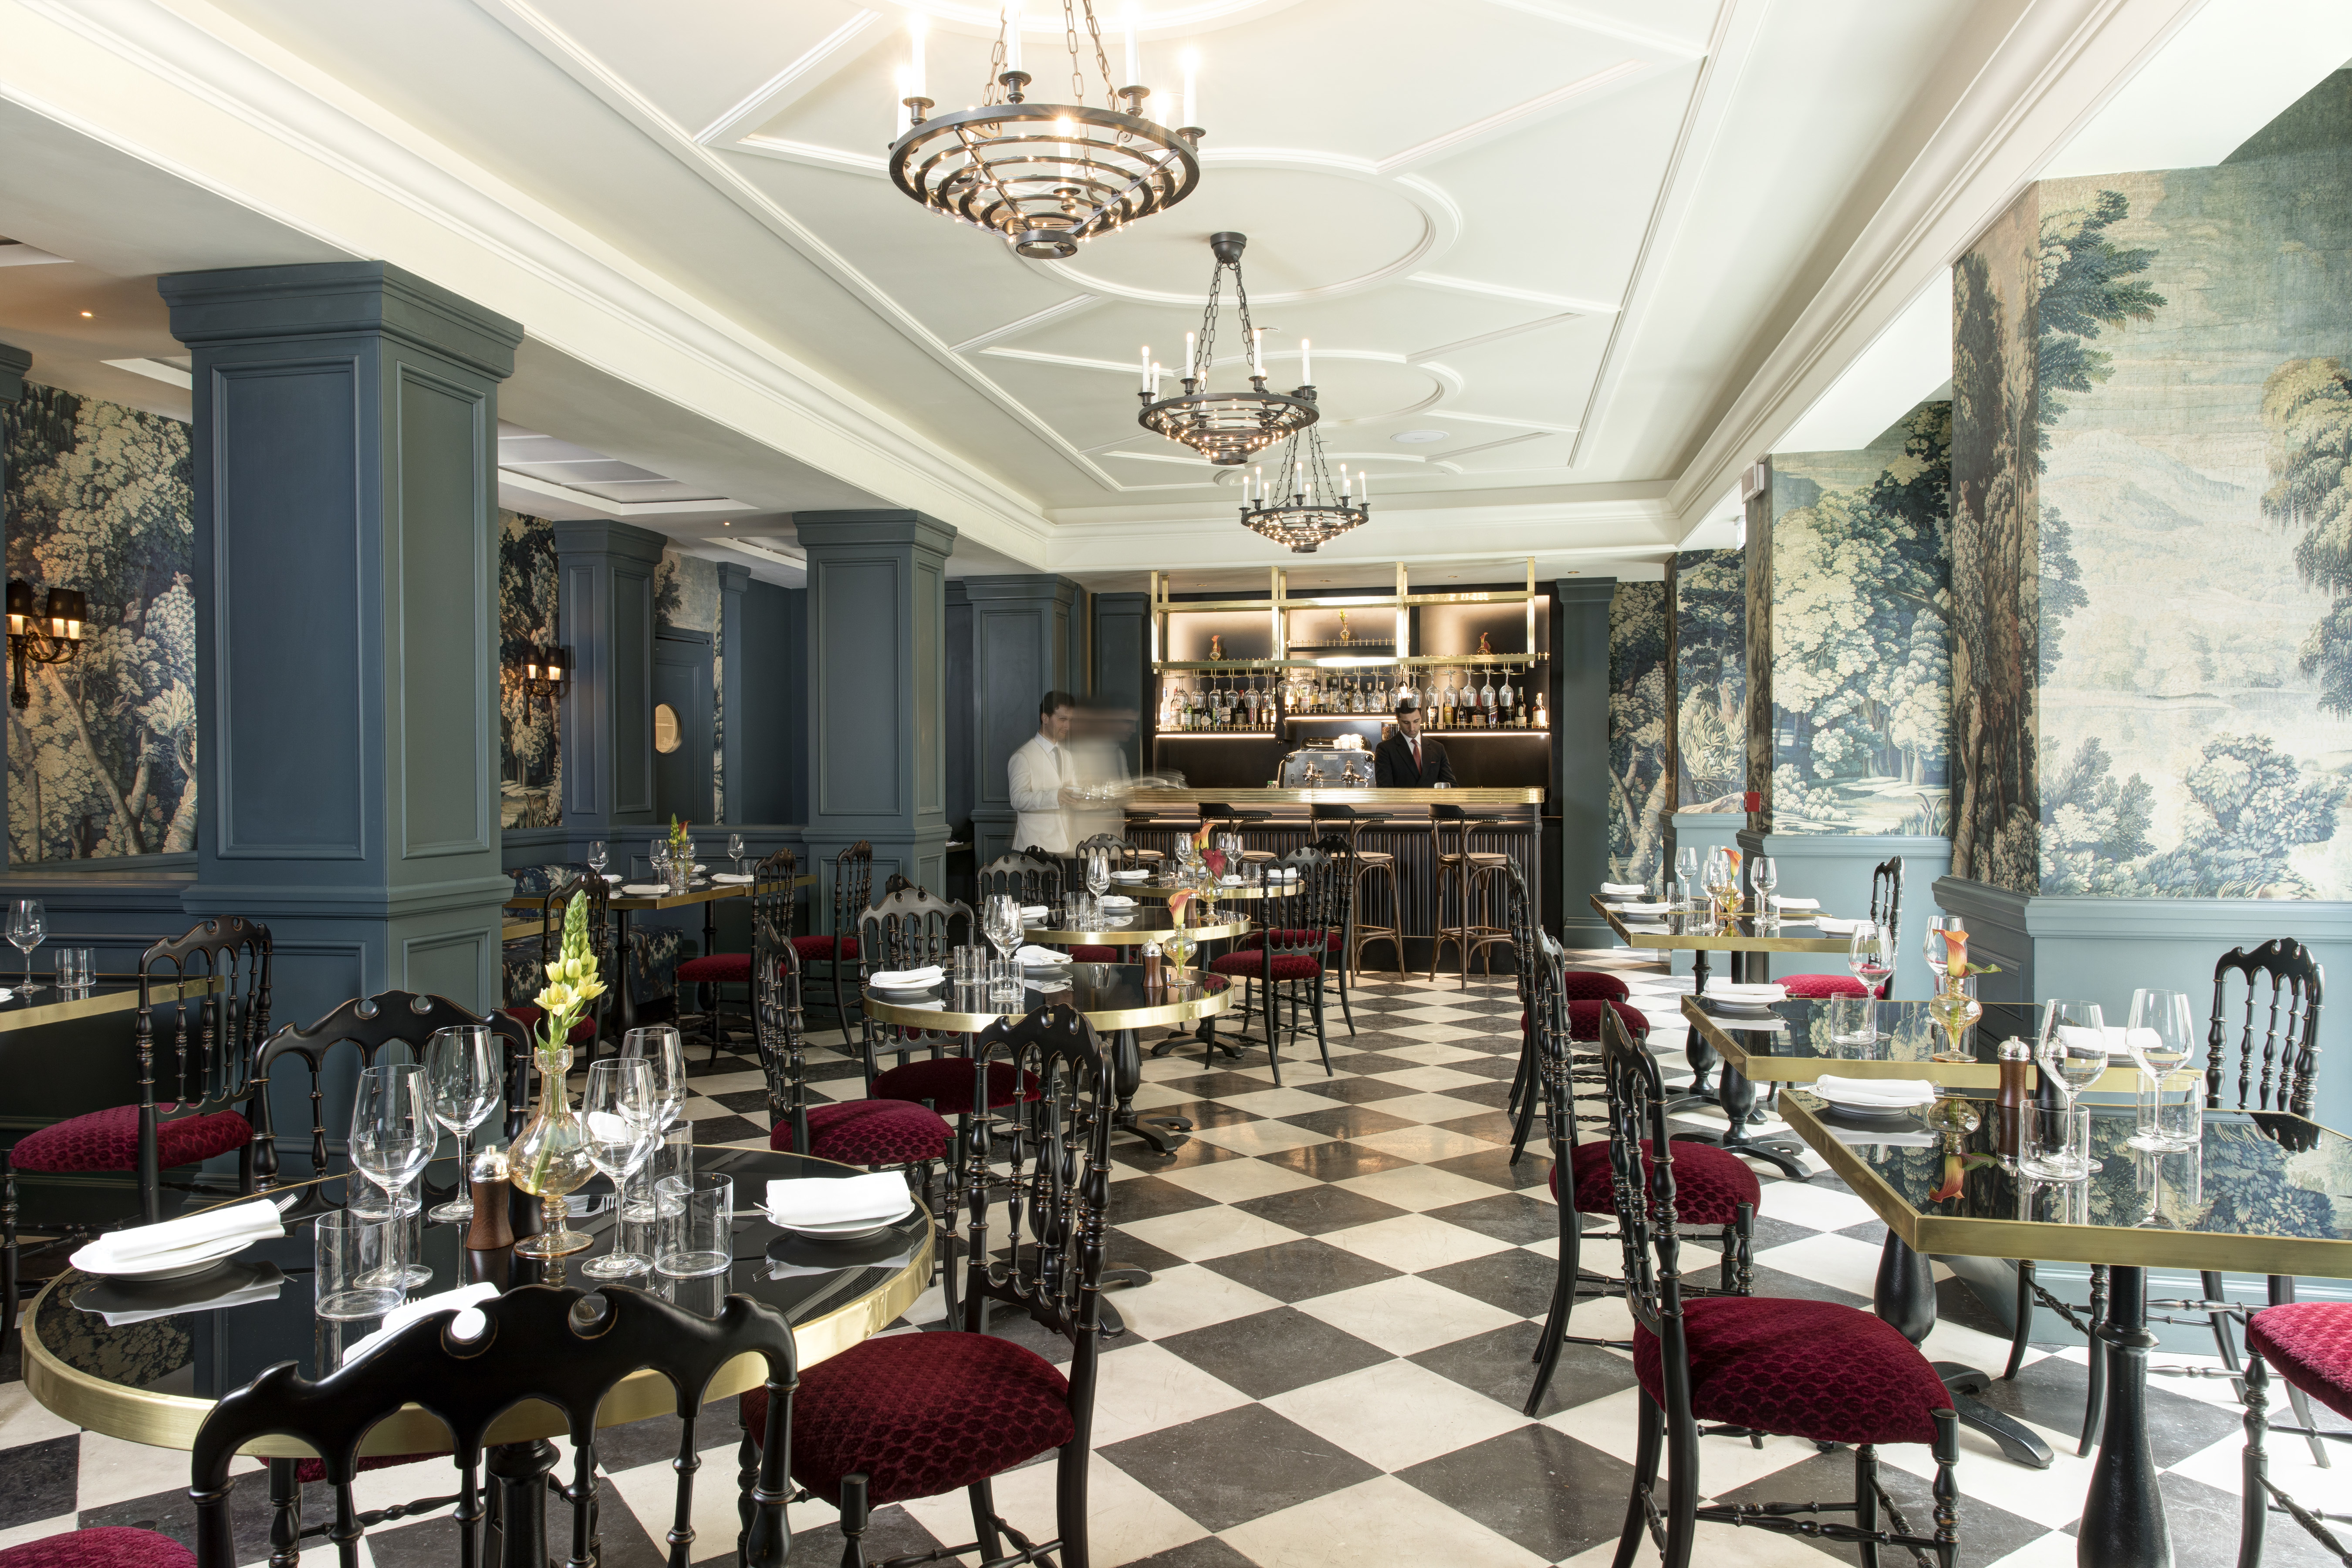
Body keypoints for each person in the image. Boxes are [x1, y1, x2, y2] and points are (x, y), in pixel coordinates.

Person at [1009, 690, 1085, 854]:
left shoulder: (1067, 756)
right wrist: (1054, 797)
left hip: (1066, 845)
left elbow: (1072, 792)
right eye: (1063, 720)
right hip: (1034, 850)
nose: (1068, 726)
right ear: (1045, 718)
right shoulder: (1022, 757)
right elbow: (1017, 800)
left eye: (1070, 720)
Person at [1374, 700, 1455, 788]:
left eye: (1416, 721)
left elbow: (1451, 786)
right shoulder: (1386, 749)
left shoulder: (1438, 748)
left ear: (1421, 716)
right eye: (1406, 723)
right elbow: (1385, 790)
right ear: (1397, 719)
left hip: (1431, 801)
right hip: (1403, 801)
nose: (1412, 728)